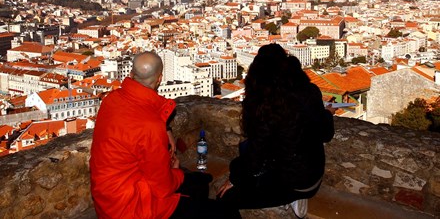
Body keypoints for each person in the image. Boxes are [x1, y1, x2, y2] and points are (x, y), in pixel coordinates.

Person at [90, 51, 240, 219]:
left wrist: (165, 128)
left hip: (108, 199)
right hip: (135, 206)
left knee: (198, 182)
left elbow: (141, 110)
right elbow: (162, 187)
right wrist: (176, 173)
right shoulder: (149, 127)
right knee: (225, 210)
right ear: (160, 79)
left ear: (131, 74)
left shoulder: (111, 100)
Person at [217, 43, 335, 216]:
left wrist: (236, 178)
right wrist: (326, 114)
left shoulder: (265, 105)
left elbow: (257, 157)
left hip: (290, 181)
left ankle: (290, 197)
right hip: (313, 178)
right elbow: (326, 134)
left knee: (225, 199)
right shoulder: (310, 91)